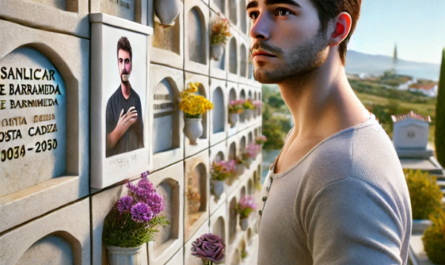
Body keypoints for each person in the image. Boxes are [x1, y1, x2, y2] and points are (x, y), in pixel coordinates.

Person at [247, 0, 412, 264]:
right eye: (254, 13)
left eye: (282, 11)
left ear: (337, 29)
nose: (257, 29)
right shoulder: (305, 137)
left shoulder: (346, 174)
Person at [106, 37, 144, 157]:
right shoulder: (111, 102)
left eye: (127, 61)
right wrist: (119, 129)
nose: (123, 67)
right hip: (117, 168)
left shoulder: (136, 99)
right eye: (120, 61)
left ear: (131, 65)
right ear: (117, 64)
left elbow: (142, 139)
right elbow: (104, 147)